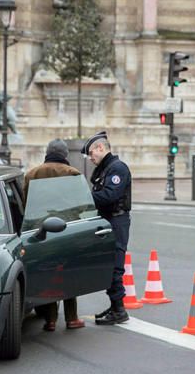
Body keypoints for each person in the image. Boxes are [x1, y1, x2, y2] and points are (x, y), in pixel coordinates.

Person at [22, 139, 85, 331]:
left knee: (48, 274)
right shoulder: (72, 173)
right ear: (65, 155)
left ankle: (50, 320)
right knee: (68, 273)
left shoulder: (32, 174)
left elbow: (25, 202)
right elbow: (82, 204)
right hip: (67, 231)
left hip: (41, 231)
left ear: (47, 153)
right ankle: (71, 318)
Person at [83, 131, 132, 326]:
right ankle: (114, 306)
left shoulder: (117, 168)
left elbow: (110, 195)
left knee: (115, 265)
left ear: (101, 148)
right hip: (107, 220)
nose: (90, 158)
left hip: (116, 221)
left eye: (92, 153)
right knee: (109, 264)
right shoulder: (105, 169)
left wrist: (83, 198)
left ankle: (119, 309)